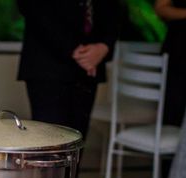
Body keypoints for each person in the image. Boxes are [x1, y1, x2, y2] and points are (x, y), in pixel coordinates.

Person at [17, 0, 118, 139]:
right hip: (48, 64)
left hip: (89, 68)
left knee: (77, 141)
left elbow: (113, 10)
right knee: (49, 144)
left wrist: (104, 46)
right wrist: (73, 49)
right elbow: (31, 7)